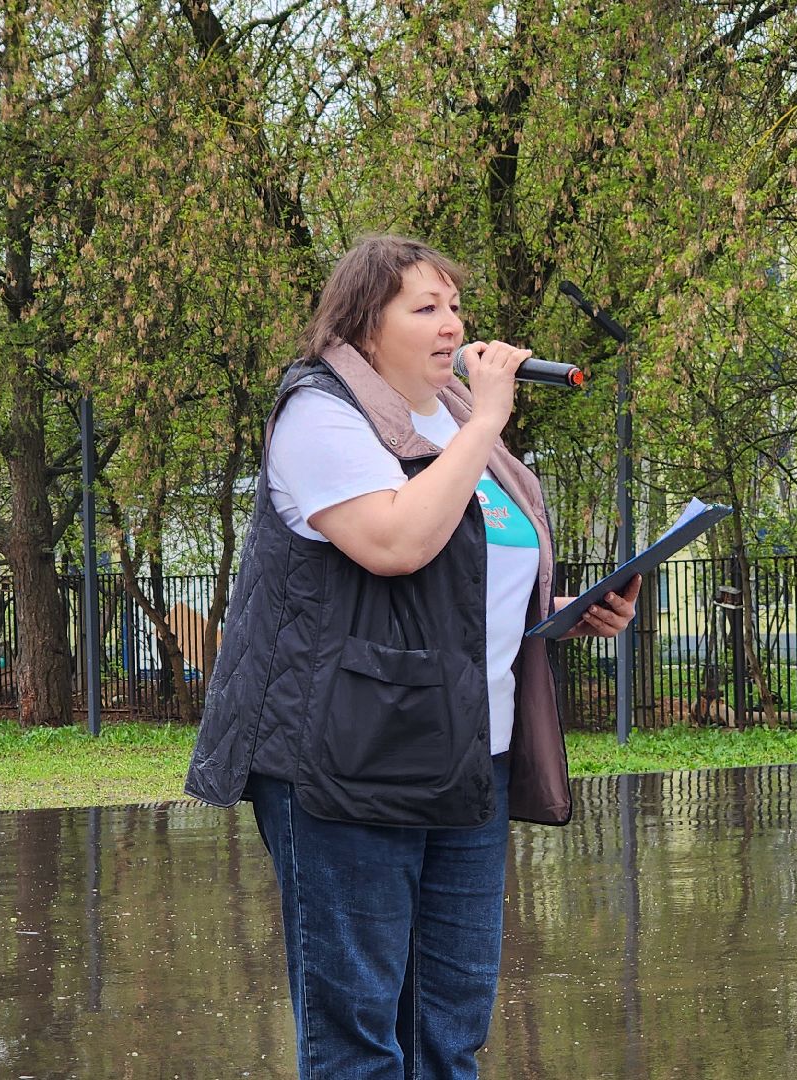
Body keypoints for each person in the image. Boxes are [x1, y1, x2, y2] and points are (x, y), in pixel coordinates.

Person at [184, 234, 640, 1079]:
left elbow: (474, 575)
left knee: (449, 1032)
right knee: (359, 1039)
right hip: (344, 763)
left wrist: (569, 613)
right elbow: (395, 540)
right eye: (424, 308)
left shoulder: (462, 426)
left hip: (471, 755)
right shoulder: (322, 414)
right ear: (364, 324)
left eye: (455, 308)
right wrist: (493, 416)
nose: (451, 326)